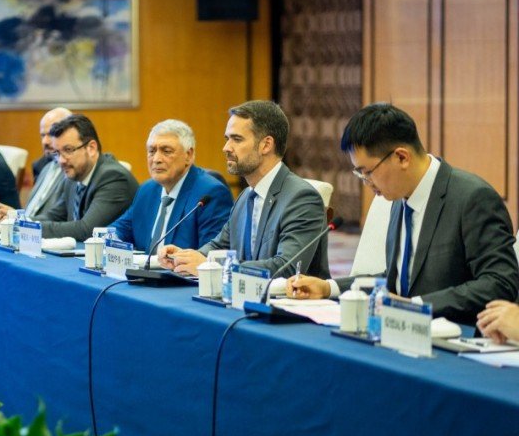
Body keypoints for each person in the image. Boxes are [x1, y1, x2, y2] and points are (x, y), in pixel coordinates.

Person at [288, 103, 519, 325]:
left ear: (401, 157)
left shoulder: (472, 198)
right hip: (401, 333)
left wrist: (415, 305)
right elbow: (396, 278)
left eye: (367, 172)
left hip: (455, 339)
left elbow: (499, 282)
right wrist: (329, 288)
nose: (366, 183)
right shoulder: (400, 199)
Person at [158, 100, 329, 278]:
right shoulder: (247, 195)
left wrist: (209, 265)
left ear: (266, 145)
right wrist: (185, 257)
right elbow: (219, 246)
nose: (226, 148)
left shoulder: (301, 198)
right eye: (227, 139)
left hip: (288, 302)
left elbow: (285, 267)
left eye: (237, 139)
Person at [109, 119, 233, 253]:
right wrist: (104, 238)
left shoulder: (210, 194)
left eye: (166, 151)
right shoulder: (147, 190)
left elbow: (211, 255)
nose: (156, 159)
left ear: (188, 155)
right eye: (151, 151)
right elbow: (119, 230)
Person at [11, 114, 138, 242]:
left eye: (68, 150)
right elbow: (55, 215)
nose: (61, 160)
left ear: (91, 148)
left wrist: (30, 227)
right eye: (57, 153)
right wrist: (18, 220)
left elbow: (87, 230)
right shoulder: (73, 177)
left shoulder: (113, 178)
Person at [0, 107, 72, 220]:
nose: (45, 141)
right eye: (42, 135)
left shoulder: (73, 171)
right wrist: (13, 215)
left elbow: (58, 219)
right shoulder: (46, 168)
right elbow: (32, 212)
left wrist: (18, 218)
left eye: (51, 134)